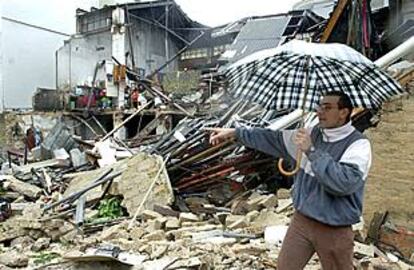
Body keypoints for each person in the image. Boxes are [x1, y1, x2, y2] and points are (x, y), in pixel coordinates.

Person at [207, 91, 372, 269]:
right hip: (303, 221)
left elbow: (344, 183)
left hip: (334, 227)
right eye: (319, 106)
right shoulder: (312, 134)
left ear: (344, 112)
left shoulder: (358, 145)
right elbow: (274, 139)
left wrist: (311, 151)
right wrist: (235, 133)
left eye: (327, 107)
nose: (320, 112)